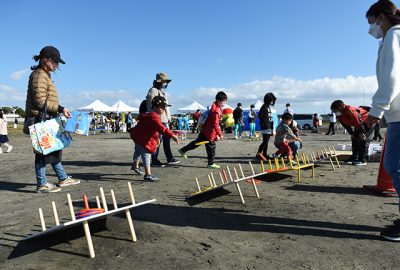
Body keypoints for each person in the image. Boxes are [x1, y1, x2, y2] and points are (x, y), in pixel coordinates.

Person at [365, 0, 400, 241]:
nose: (372, 29)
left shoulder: (394, 35)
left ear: (381, 17)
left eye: (371, 23)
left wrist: (377, 109)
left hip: (398, 115)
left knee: (394, 165)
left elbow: (393, 75)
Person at [25, 46, 80, 193]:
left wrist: (60, 109)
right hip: (39, 119)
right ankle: (42, 184)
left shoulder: (44, 74)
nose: (57, 65)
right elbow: (40, 101)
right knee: (42, 152)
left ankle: (62, 178)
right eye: (55, 62)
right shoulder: (39, 75)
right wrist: (60, 109)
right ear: (46, 60)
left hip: (47, 118)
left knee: (54, 149)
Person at [130, 96, 179, 182]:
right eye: (162, 107)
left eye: (164, 107)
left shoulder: (148, 114)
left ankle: (135, 166)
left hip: (137, 137)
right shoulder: (153, 116)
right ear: (155, 107)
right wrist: (172, 135)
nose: (164, 109)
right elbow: (161, 128)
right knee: (146, 155)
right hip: (143, 139)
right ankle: (148, 175)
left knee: (137, 151)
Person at [178, 91, 227, 169]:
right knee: (211, 147)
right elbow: (215, 124)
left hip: (205, 130)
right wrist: (220, 134)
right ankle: (210, 163)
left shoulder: (215, 107)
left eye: (225, 101)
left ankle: (183, 150)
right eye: (223, 101)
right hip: (209, 132)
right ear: (218, 101)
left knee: (197, 142)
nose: (224, 103)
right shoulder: (216, 110)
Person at [146, 72, 180, 166]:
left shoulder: (161, 91)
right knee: (157, 140)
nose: (165, 83)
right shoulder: (153, 90)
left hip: (164, 120)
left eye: (166, 82)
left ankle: (170, 158)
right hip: (158, 120)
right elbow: (151, 106)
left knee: (166, 140)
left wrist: (168, 118)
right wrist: (155, 119)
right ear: (159, 82)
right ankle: (154, 160)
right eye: (164, 81)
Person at [330, 100, 370, 166]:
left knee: (362, 139)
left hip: (366, 122)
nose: (334, 112)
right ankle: (354, 157)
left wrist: (361, 133)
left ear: (340, 108)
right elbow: (345, 125)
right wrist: (352, 134)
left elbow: (358, 121)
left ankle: (362, 159)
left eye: (335, 110)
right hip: (358, 124)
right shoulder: (340, 114)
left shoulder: (350, 111)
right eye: (333, 111)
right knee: (354, 139)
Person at [256, 93, 277, 159]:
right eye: (271, 100)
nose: (272, 101)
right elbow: (259, 116)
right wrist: (265, 121)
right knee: (265, 141)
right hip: (265, 126)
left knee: (266, 141)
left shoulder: (267, 106)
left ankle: (264, 153)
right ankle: (259, 153)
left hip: (268, 126)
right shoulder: (264, 107)